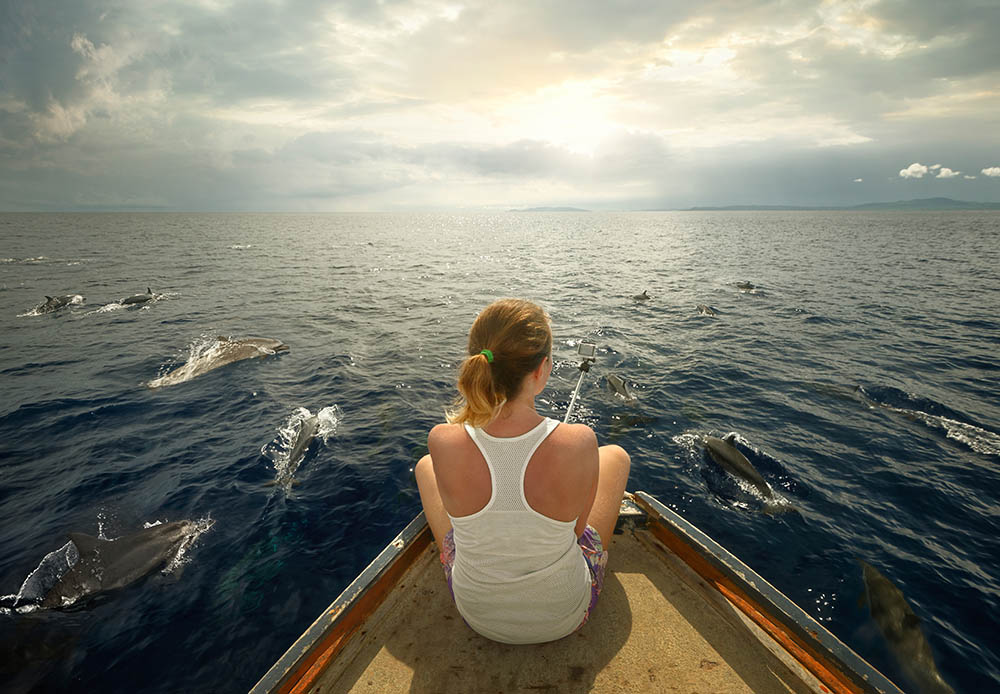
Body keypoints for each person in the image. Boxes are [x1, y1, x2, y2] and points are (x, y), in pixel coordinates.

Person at [415, 298, 631, 644]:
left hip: (476, 614)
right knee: (616, 456)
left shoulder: (441, 439)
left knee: (425, 466)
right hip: (566, 614)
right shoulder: (579, 441)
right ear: (541, 369)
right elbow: (577, 534)